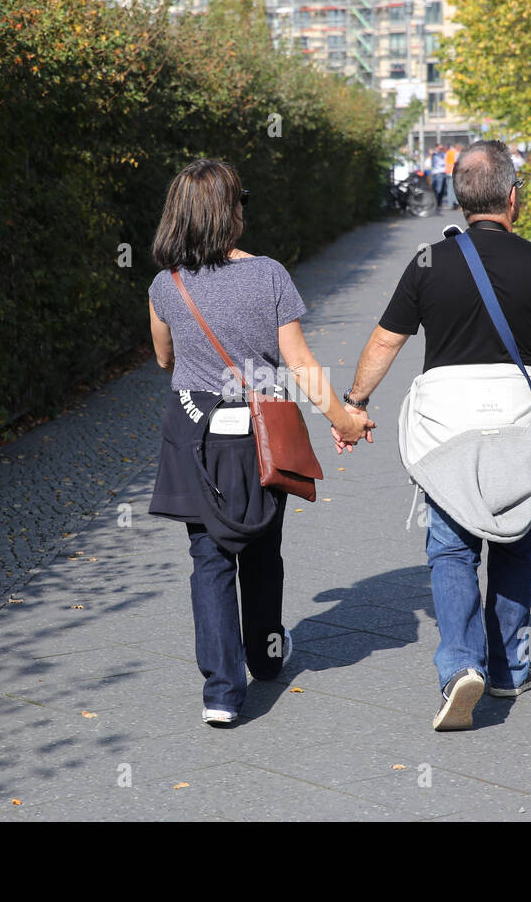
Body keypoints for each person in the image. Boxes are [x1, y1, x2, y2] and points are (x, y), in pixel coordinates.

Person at [335, 140, 531, 731]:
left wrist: (354, 405)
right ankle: (507, 668)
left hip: (446, 427)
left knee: (450, 546)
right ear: (513, 197)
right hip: (517, 425)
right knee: (514, 540)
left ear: (459, 197)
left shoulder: (427, 261)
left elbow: (384, 343)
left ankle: (459, 667)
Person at [146, 159, 374, 727]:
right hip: (259, 430)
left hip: (195, 430)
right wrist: (342, 418)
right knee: (263, 547)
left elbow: (163, 357)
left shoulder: (163, 284)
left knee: (209, 556)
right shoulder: (268, 275)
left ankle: (222, 693)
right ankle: (265, 656)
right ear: (231, 211)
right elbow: (297, 362)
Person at [430, 145, 449, 212]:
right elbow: (441, 163)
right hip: (437, 174)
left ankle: (439, 203)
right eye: (440, 148)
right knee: (438, 190)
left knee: (442, 190)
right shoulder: (435, 155)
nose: (441, 149)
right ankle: (435, 203)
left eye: (442, 148)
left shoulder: (443, 154)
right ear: (436, 148)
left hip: (443, 173)